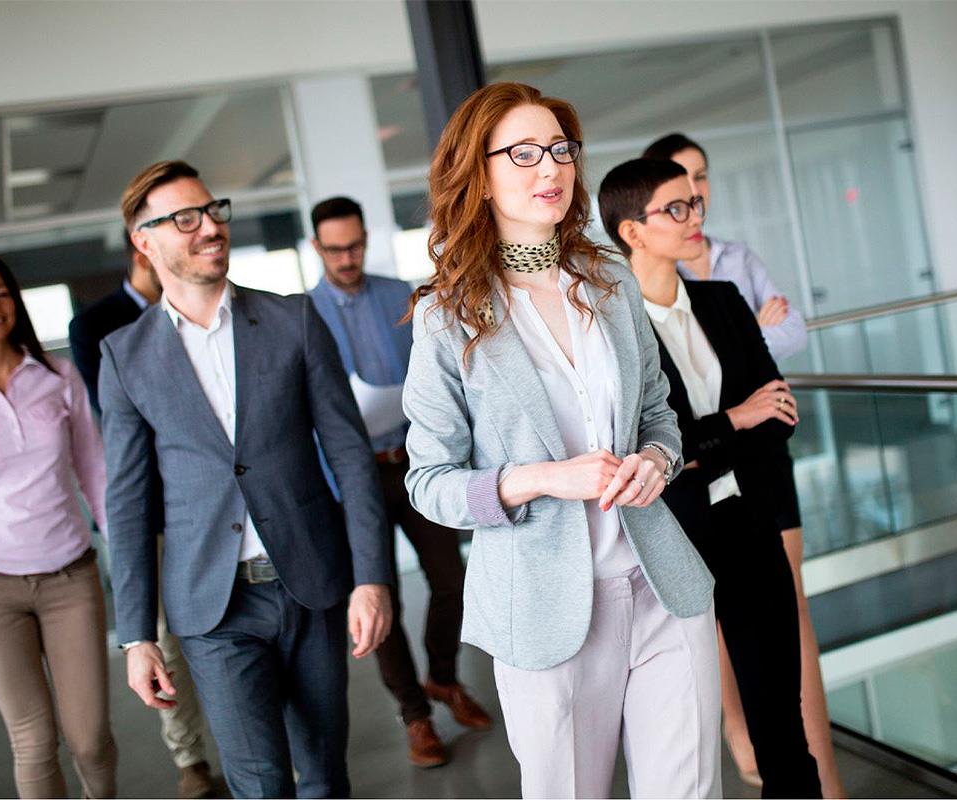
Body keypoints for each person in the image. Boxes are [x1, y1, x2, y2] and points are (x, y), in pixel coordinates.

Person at [402, 82, 721, 799]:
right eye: (522, 154)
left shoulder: (608, 278)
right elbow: (429, 483)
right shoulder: (446, 313)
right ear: (478, 175)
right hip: (545, 610)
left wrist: (656, 460)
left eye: (559, 150)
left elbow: (660, 414)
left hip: (661, 583)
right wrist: (543, 477)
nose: (549, 169)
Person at [100, 160, 393, 799]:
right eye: (185, 218)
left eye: (212, 211)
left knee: (323, 771)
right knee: (259, 783)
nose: (209, 227)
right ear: (144, 241)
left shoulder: (293, 321)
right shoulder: (125, 357)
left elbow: (349, 454)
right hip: (212, 607)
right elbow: (125, 504)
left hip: (310, 583)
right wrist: (136, 637)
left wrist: (371, 577)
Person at [600, 157, 822, 798]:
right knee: (682, 736)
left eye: (695, 203)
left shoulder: (723, 301)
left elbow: (777, 417)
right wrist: (735, 421)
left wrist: (702, 439)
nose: (695, 217)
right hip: (673, 544)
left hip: (749, 526)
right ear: (632, 231)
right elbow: (641, 453)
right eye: (676, 208)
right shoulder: (616, 330)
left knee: (783, 725)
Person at [307, 196, 491, 767]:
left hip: (414, 461)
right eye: (335, 249)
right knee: (378, 597)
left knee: (452, 581)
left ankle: (442, 678)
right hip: (351, 476)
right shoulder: (303, 313)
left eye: (355, 245)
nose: (347, 257)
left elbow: (437, 376)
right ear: (316, 248)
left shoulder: (399, 296)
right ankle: (415, 716)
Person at [0, 254, 117, 798]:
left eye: (1, 293)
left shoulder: (58, 377)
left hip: (71, 579)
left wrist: (122, 557)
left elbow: (95, 472)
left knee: (91, 741)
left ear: (16, 301)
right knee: (33, 743)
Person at [68, 235, 215, 799]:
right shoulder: (98, 327)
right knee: (165, 645)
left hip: (214, 506)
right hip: (152, 510)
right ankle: (192, 759)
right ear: (143, 252)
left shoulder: (206, 308)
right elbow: (118, 421)